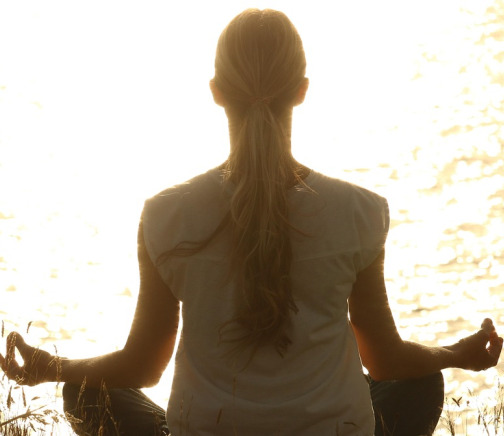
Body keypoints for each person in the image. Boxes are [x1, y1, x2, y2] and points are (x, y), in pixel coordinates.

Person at [1, 8, 502, 436]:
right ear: (301, 90)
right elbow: (385, 359)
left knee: (83, 392)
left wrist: (51, 367)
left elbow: (143, 366)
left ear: (217, 92)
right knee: (421, 378)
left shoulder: (165, 214)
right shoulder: (359, 210)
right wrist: (454, 354)